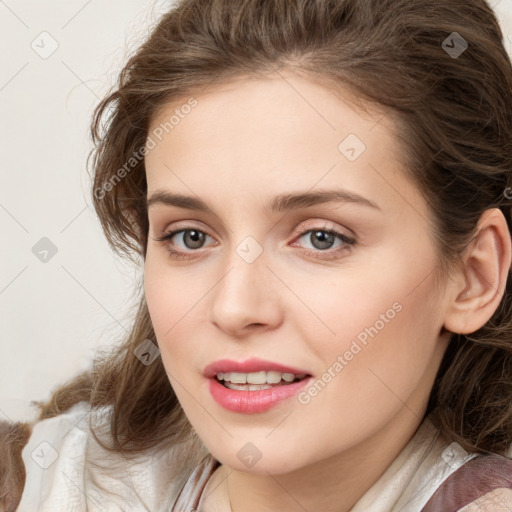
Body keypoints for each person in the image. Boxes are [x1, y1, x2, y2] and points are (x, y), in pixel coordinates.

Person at [2, 0, 512, 510]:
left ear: (473, 276)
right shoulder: (36, 484)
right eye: (191, 237)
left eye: (321, 237)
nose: (235, 307)